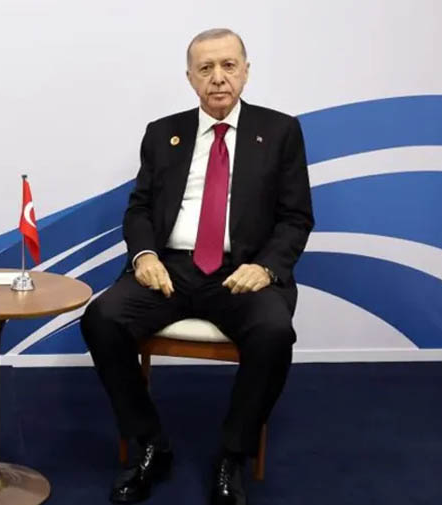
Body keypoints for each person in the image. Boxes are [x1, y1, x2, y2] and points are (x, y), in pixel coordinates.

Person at [81, 28, 314, 505]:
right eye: (205, 69)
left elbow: (296, 218)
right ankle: (149, 444)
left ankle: (232, 455)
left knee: (273, 333)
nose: (218, 78)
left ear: (246, 71)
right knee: (101, 319)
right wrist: (144, 256)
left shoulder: (281, 131)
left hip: (242, 272)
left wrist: (267, 268)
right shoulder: (162, 132)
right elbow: (140, 209)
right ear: (190, 79)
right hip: (171, 267)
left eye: (228, 65)